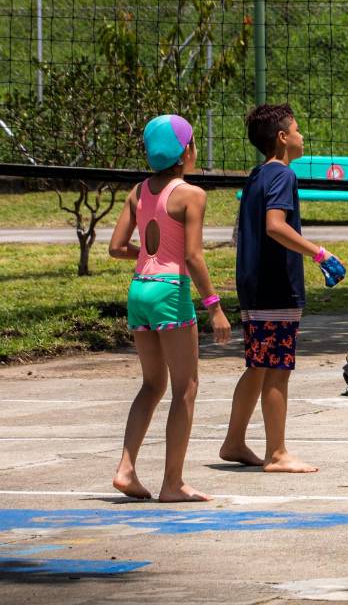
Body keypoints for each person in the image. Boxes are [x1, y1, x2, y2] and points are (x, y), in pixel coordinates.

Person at [109, 115, 232, 502]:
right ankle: (172, 483)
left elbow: (116, 247)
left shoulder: (138, 191)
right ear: (186, 152)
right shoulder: (191, 195)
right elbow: (194, 257)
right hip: (169, 293)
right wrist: (214, 306)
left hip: (139, 290)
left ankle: (126, 468)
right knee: (185, 388)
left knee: (151, 384)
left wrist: (150, 255)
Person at [219, 104, 344, 473]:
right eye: (298, 130)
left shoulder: (257, 174)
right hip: (275, 288)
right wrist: (319, 253)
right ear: (283, 137)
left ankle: (234, 442)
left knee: (258, 365)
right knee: (277, 368)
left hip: (255, 285)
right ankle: (277, 453)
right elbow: (275, 225)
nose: (303, 136)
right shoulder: (283, 175)